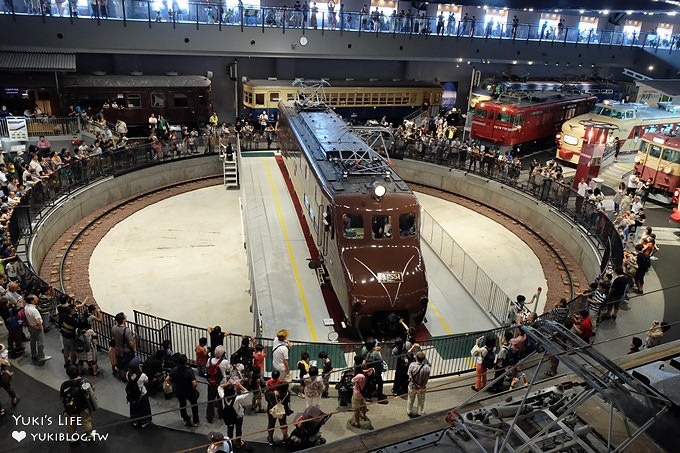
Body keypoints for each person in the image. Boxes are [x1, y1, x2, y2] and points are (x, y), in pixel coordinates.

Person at [60, 365, 94, 443]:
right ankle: (89, 435)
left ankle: (72, 436)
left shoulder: (64, 384)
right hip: (83, 406)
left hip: (70, 408)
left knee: (71, 422)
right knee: (86, 420)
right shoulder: (85, 381)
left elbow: (62, 397)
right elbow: (91, 391)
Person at [167, 354, 200, 427]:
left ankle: (185, 418)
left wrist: (173, 385)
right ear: (186, 361)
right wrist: (194, 388)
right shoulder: (189, 370)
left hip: (179, 390)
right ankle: (195, 421)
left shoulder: (175, 369)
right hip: (189, 391)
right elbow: (194, 383)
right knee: (194, 405)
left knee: (182, 405)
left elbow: (167, 379)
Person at [24, 294, 51, 365]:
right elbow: (38, 321)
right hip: (36, 327)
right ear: (32, 301)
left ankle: (34, 354)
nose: (37, 299)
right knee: (40, 342)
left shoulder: (26, 307)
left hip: (31, 326)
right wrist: (40, 327)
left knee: (32, 341)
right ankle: (41, 356)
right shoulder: (34, 310)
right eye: (36, 298)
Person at [265, 370, 291, 445]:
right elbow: (287, 401)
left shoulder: (271, 393)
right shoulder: (287, 393)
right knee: (283, 423)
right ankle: (285, 437)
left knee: (271, 424)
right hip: (282, 410)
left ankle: (270, 438)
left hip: (272, 409)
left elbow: (267, 399)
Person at [126, 357, 152, 428]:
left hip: (133, 395)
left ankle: (135, 421)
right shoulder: (142, 375)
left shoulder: (128, 374)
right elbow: (146, 380)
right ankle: (144, 422)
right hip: (142, 394)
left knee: (134, 408)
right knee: (144, 409)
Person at [220, 383, 248, 448]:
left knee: (230, 430)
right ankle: (238, 443)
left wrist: (227, 383)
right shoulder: (236, 398)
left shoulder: (222, 396)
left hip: (228, 416)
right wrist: (240, 386)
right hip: (238, 416)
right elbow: (246, 393)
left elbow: (219, 388)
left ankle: (230, 443)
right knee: (238, 429)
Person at [206, 345, 228, 423]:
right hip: (221, 384)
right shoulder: (225, 362)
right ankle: (221, 414)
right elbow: (228, 369)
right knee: (220, 399)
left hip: (211, 383)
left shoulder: (209, 360)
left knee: (210, 400)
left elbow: (207, 369)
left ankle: (209, 416)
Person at [111, 312, 136, 380]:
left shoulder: (114, 328)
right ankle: (129, 377)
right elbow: (131, 343)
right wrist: (134, 348)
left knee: (121, 366)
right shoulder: (127, 330)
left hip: (118, 350)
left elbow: (113, 338)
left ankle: (123, 377)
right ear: (123, 320)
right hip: (126, 351)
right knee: (129, 365)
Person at [406, 351, 430, 418]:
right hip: (422, 387)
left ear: (416, 357)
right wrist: (421, 386)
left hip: (412, 386)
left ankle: (409, 411)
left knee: (410, 399)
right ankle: (420, 412)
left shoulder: (412, 365)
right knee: (421, 400)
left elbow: (410, 377)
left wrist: (416, 385)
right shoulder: (427, 367)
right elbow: (426, 379)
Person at [0, 343, 19, 416]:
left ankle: (1, 410)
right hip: (3, 376)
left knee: (8, 387)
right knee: (8, 387)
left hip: (2, 375)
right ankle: (13, 398)